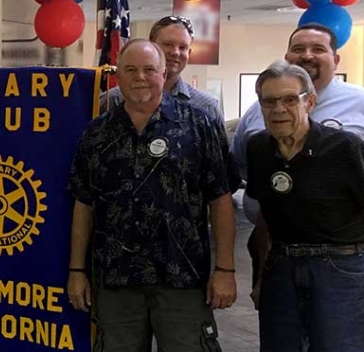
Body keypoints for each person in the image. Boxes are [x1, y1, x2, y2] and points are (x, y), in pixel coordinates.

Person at [66, 39, 236, 352]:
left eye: (148, 69)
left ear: (163, 73)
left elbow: (221, 199)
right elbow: (83, 203)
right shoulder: (96, 133)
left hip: (182, 278)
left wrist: (225, 270)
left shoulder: (199, 124)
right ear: (119, 76)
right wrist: (77, 270)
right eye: (130, 70)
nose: (139, 77)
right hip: (116, 280)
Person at [231, 23, 364, 297]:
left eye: (318, 49)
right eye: (298, 49)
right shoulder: (258, 111)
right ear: (287, 57)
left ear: (335, 60)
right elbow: (245, 166)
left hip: (346, 259)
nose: (307, 55)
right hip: (281, 255)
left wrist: (355, 204)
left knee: (343, 339)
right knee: (283, 338)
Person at [247, 60, 364, 351]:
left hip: (344, 272)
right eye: (270, 101)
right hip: (283, 270)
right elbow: (266, 218)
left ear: (310, 102)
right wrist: (260, 279)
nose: (279, 109)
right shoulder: (259, 149)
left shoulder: (346, 147)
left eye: (290, 99)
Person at [102, 15, 223, 124]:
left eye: (182, 47)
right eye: (168, 44)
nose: (175, 52)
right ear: (151, 46)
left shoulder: (207, 107)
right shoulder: (112, 100)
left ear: (189, 53)